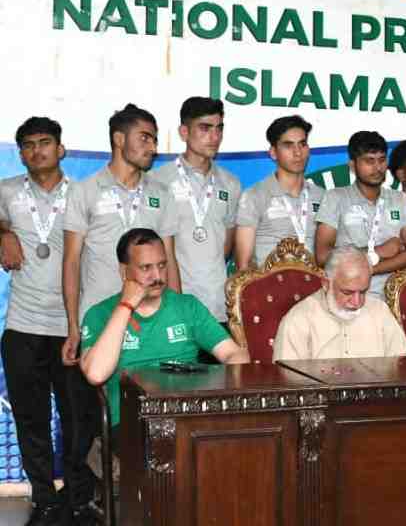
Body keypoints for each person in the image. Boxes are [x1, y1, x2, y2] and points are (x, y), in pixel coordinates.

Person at [0, 118, 94, 525]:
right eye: (27, 145)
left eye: (45, 143)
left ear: (61, 149)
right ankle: (42, 496)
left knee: (78, 417)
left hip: (70, 326)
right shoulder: (6, 192)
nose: (36, 150)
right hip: (22, 325)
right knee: (30, 417)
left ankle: (77, 493)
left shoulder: (84, 195)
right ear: (20, 153)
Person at [79, 229, 249, 432]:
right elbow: (96, 374)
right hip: (134, 421)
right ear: (124, 271)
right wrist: (126, 305)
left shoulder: (187, 306)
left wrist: (215, 384)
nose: (157, 276)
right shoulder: (100, 314)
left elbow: (234, 354)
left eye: (162, 265)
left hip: (188, 414)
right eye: (145, 268)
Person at [63, 104, 180, 367]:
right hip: (100, 317)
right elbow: (71, 261)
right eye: (144, 138)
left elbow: (169, 259)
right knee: (97, 401)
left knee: (151, 400)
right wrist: (72, 325)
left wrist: (175, 314)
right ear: (119, 139)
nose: (153, 147)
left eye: (155, 139)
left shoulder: (162, 193)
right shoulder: (84, 191)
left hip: (150, 319)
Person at [149, 97, 241, 324]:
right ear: (183, 132)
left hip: (219, 308)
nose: (214, 136)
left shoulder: (231, 183)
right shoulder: (157, 181)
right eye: (205, 128)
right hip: (171, 307)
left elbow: (227, 247)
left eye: (219, 128)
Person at [314, 131, 406, 298]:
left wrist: (370, 267)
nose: (377, 168)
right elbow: (322, 256)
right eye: (369, 161)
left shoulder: (400, 199)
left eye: (381, 160)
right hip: (349, 295)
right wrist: (377, 251)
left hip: (395, 296)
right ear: (352, 165)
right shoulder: (335, 197)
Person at [273, 247, 406, 360]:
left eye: (363, 292)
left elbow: (405, 367)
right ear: (326, 284)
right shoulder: (298, 319)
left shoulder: (379, 311)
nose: (357, 302)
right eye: (347, 293)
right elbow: (287, 383)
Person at [234, 115, 324, 269]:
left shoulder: (322, 196)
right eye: (288, 145)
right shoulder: (255, 196)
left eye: (302, 144)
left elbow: (329, 255)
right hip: (268, 289)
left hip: (315, 289)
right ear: (273, 152)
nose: (297, 153)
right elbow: (243, 265)